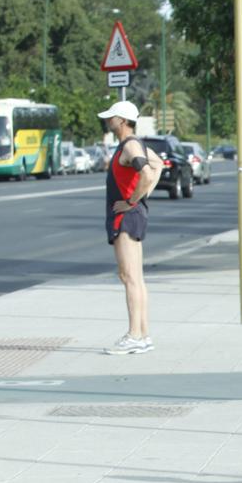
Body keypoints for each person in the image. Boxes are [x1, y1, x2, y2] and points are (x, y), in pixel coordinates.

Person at [98, 100, 162, 355]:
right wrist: (142, 197)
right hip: (131, 215)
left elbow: (147, 172)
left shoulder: (131, 145)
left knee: (129, 277)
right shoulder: (133, 144)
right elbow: (157, 165)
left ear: (122, 121)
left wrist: (132, 201)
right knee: (135, 277)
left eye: (111, 117)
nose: (108, 120)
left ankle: (135, 334)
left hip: (126, 217)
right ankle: (143, 335)